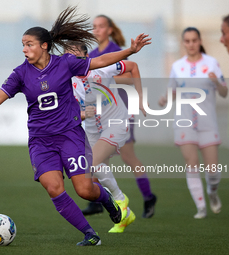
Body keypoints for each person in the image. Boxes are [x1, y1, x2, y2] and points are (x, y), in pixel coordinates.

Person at [0, 6, 151, 246]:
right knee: (54, 188)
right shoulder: (20, 73)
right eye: (23, 45)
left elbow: (98, 61)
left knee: (85, 191)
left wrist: (130, 50)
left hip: (70, 136)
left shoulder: (65, 63)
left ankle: (109, 202)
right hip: (40, 141)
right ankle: (90, 234)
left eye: (29, 44)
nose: (24, 49)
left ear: (44, 45)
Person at [82, 14, 157, 219]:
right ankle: (99, 201)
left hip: (121, 109)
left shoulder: (114, 51)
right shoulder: (92, 54)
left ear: (109, 30)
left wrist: (105, 79)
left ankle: (148, 196)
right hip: (100, 116)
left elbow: (129, 77)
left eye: (101, 26)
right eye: (94, 27)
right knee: (100, 159)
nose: (96, 30)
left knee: (127, 156)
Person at [67, 41, 145, 233]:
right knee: (93, 170)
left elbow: (133, 66)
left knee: (91, 162)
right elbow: (68, 109)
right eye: (67, 56)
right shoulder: (67, 81)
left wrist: (141, 97)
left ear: (86, 57)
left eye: (75, 55)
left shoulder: (101, 69)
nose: (71, 60)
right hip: (92, 129)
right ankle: (124, 217)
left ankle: (119, 198)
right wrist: (83, 114)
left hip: (117, 123)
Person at [159, 27, 228, 219]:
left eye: (194, 40)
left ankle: (212, 192)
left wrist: (216, 83)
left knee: (213, 170)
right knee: (192, 163)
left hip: (207, 122)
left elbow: (224, 92)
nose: (191, 44)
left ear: (199, 41)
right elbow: (172, 92)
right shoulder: (177, 66)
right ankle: (201, 207)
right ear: (183, 43)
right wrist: (164, 99)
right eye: (187, 41)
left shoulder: (212, 63)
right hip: (184, 122)